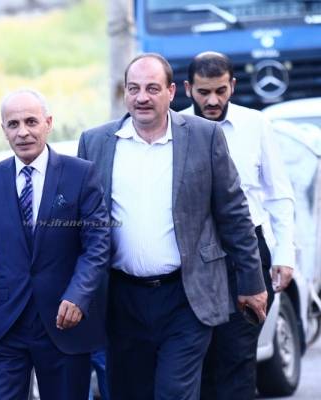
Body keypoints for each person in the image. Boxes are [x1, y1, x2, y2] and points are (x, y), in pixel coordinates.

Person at [77, 53, 268, 400]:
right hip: (121, 300)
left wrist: (252, 282)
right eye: (134, 88)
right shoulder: (95, 142)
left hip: (186, 296)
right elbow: (83, 226)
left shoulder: (204, 136)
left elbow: (234, 214)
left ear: (172, 91)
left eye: (152, 88)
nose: (142, 97)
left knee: (174, 393)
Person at [0, 89, 110, 400]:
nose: (22, 132)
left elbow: (97, 245)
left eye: (31, 122)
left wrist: (78, 296)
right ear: (4, 130)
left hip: (64, 322)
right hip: (7, 325)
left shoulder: (80, 174)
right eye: (13, 124)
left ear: (48, 123)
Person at [181, 51, 295, 400]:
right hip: (194, 256)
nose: (212, 101)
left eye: (220, 90)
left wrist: (284, 253)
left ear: (232, 85)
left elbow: (278, 194)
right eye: (203, 92)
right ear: (187, 89)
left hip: (247, 254)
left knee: (238, 355)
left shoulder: (255, 124)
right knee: (199, 357)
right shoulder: (176, 128)